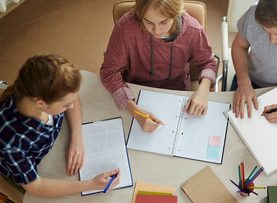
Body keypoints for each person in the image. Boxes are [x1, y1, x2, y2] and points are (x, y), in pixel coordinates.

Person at [0, 55, 120, 197]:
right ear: (41, 104)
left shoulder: (46, 92)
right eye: (65, 105)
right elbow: (37, 186)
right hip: (31, 173)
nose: (71, 105)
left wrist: (77, 137)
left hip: (55, 146)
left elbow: (72, 98)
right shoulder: (11, 141)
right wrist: (91, 184)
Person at [100, 0, 217, 133]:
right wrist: (136, 112)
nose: (156, 30)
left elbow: (208, 62)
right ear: (139, 14)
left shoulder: (193, 30)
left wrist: (203, 90)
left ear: (176, 13)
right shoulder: (125, 28)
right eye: (148, 22)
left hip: (177, 90)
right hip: (135, 92)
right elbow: (108, 72)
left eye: (164, 22)